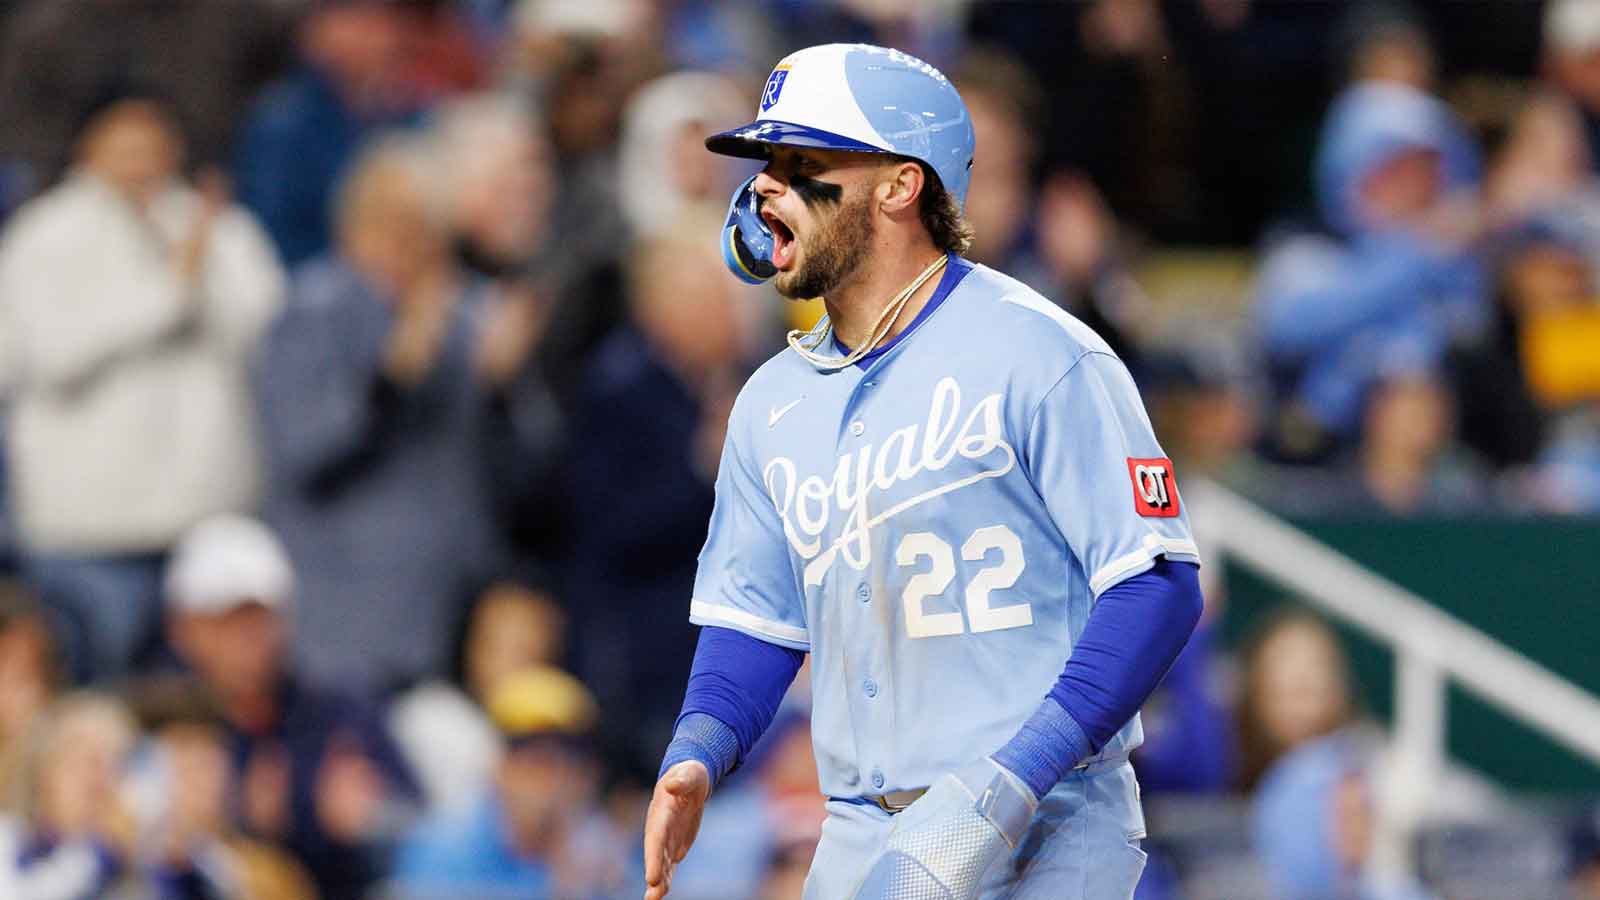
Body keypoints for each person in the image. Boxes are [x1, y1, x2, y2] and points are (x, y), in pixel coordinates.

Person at [642, 44, 1204, 900]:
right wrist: (698, 750)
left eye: (803, 163)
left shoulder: (1039, 351)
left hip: (1049, 818)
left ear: (901, 185)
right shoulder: (772, 402)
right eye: (768, 163)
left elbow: (1157, 583)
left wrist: (1012, 780)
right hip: (861, 827)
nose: (763, 186)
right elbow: (754, 619)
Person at [254, 136, 560, 692]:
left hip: (461, 614)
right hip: (350, 620)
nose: (410, 250)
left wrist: (501, 390)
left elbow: (532, 470)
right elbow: (304, 451)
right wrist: (390, 381)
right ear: (356, 226)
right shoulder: (312, 311)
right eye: (396, 228)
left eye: (426, 232)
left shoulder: (469, 315)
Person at [0, 87, 284, 682]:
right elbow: (47, 355)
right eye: (124, 142)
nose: (140, 158)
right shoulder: (45, 236)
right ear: (89, 147)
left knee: (204, 707)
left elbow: (268, 332)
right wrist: (166, 296)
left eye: (152, 142)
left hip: (203, 523)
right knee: (94, 694)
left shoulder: (215, 225)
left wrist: (201, 270)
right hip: (87, 534)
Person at [162, 515, 420, 900]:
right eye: (226, 621)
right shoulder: (159, 718)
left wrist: (369, 827)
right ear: (184, 629)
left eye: (257, 618)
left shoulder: (339, 713)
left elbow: (416, 827)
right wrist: (235, 819)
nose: (246, 639)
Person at [390, 665, 629, 900]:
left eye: (568, 764)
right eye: (536, 762)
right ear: (502, 766)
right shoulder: (443, 847)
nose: (552, 783)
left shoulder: (601, 849)